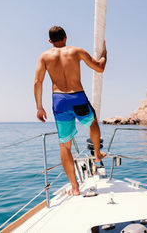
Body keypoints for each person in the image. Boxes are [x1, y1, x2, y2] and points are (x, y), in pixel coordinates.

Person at [34, 26, 107, 196]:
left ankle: (75, 188)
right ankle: (97, 153)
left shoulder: (44, 56)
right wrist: (104, 54)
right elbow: (99, 68)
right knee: (93, 122)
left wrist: (39, 107)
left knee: (64, 147)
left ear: (50, 41)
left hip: (59, 101)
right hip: (78, 98)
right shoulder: (77, 51)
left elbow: (38, 81)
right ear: (66, 37)